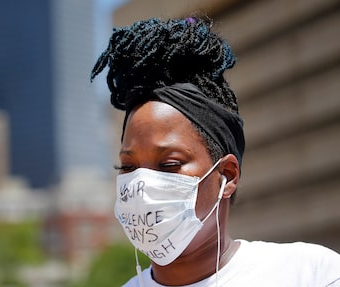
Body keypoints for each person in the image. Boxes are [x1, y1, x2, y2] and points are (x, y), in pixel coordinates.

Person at [91, 16, 340, 287]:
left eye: (169, 164)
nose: (142, 185)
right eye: (128, 167)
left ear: (227, 175)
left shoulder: (310, 275)